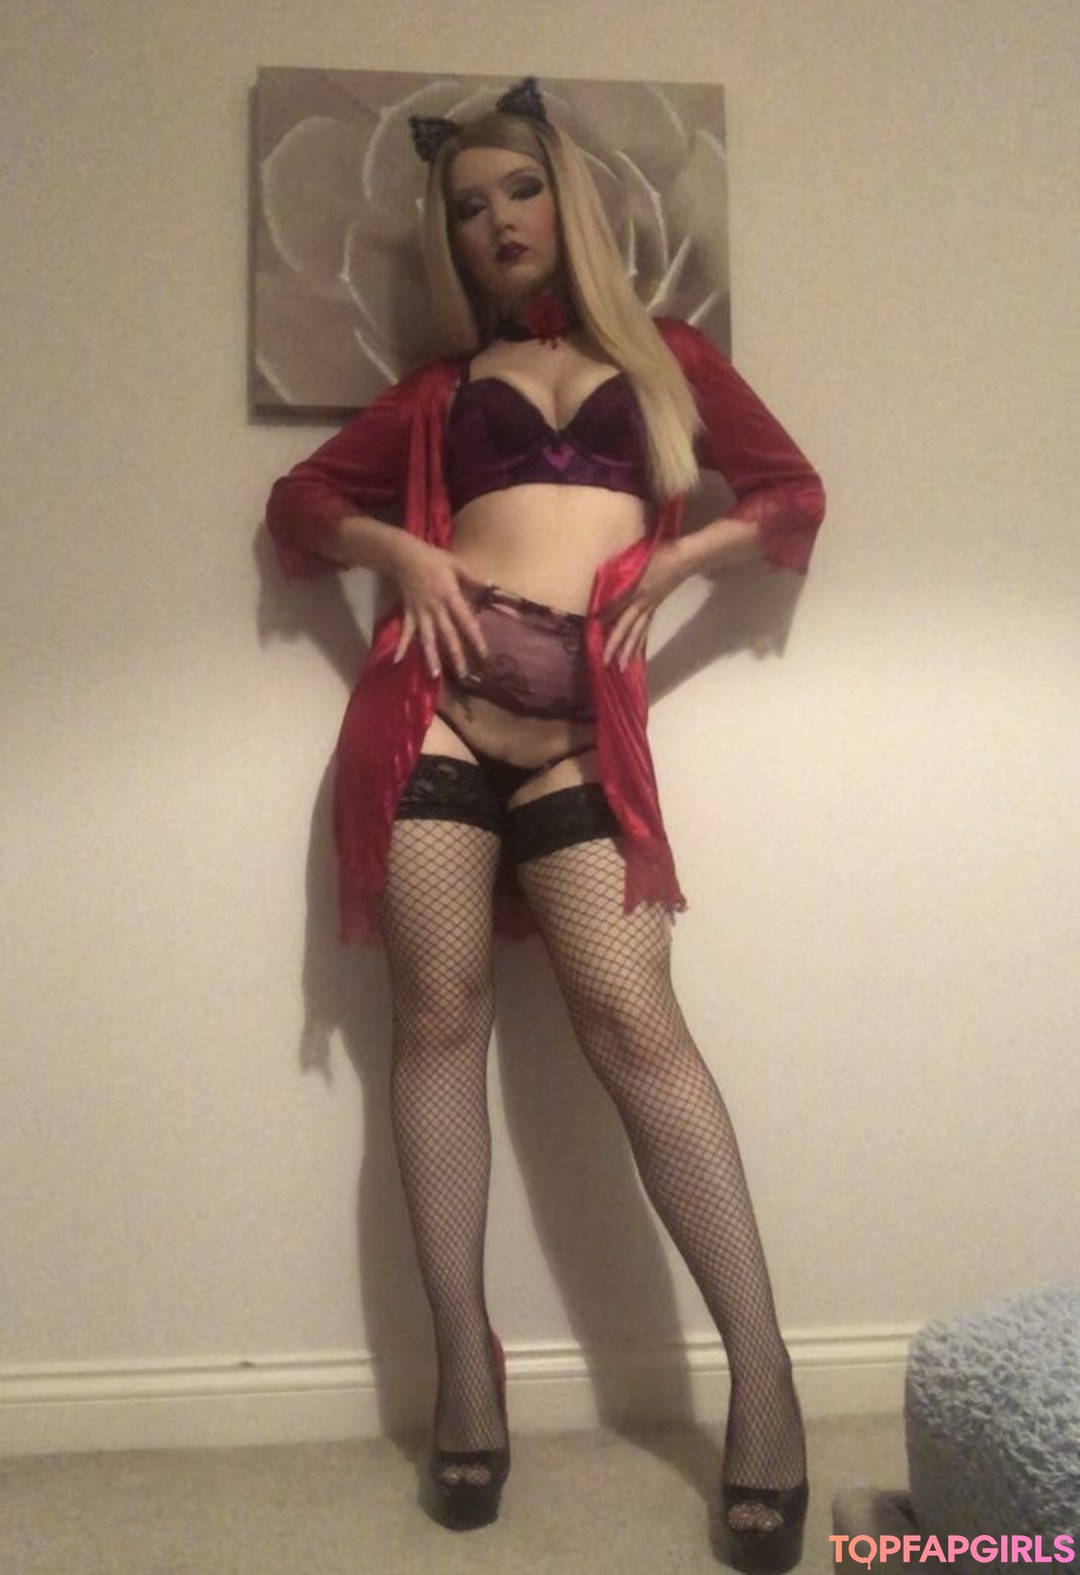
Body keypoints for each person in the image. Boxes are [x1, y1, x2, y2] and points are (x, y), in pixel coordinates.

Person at [266, 76, 825, 1572]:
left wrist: (683, 558)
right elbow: (299, 505)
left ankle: (766, 1383)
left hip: (580, 740)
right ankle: (467, 1371)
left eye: (516, 190)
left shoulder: (672, 361)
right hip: (433, 725)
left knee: (636, 1029)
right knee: (437, 1023)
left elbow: (791, 493)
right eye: (466, 207)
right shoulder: (442, 392)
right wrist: (401, 554)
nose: (494, 222)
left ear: (563, 199)